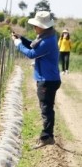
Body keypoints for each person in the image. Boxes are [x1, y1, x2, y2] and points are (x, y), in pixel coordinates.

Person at [12, 10, 61, 149]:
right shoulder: (46, 37)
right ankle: (48, 135)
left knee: (46, 109)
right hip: (48, 78)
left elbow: (31, 53)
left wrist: (17, 44)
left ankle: (47, 136)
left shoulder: (47, 41)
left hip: (47, 80)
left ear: (43, 26)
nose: (34, 28)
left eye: (36, 25)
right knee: (46, 107)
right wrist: (21, 38)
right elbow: (33, 45)